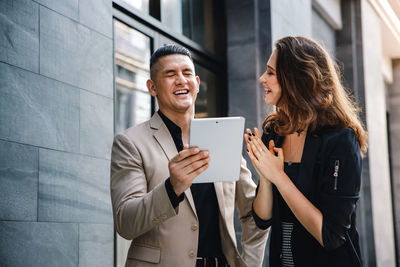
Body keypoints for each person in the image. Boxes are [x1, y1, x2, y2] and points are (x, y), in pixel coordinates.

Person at [110, 44, 268, 267]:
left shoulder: (222, 137)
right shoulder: (130, 143)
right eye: (170, 74)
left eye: (187, 73)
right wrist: (171, 188)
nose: (181, 80)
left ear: (197, 84)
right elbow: (126, 222)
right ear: (152, 87)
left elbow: (255, 215)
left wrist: (249, 263)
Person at [244, 36, 367, 267]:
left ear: (296, 79)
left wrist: (279, 176)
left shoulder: (340, 140)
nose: (262, 78)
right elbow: (262, 219)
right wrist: (265, 174)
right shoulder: (274, 132)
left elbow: (330, 235)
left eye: (270, 73)